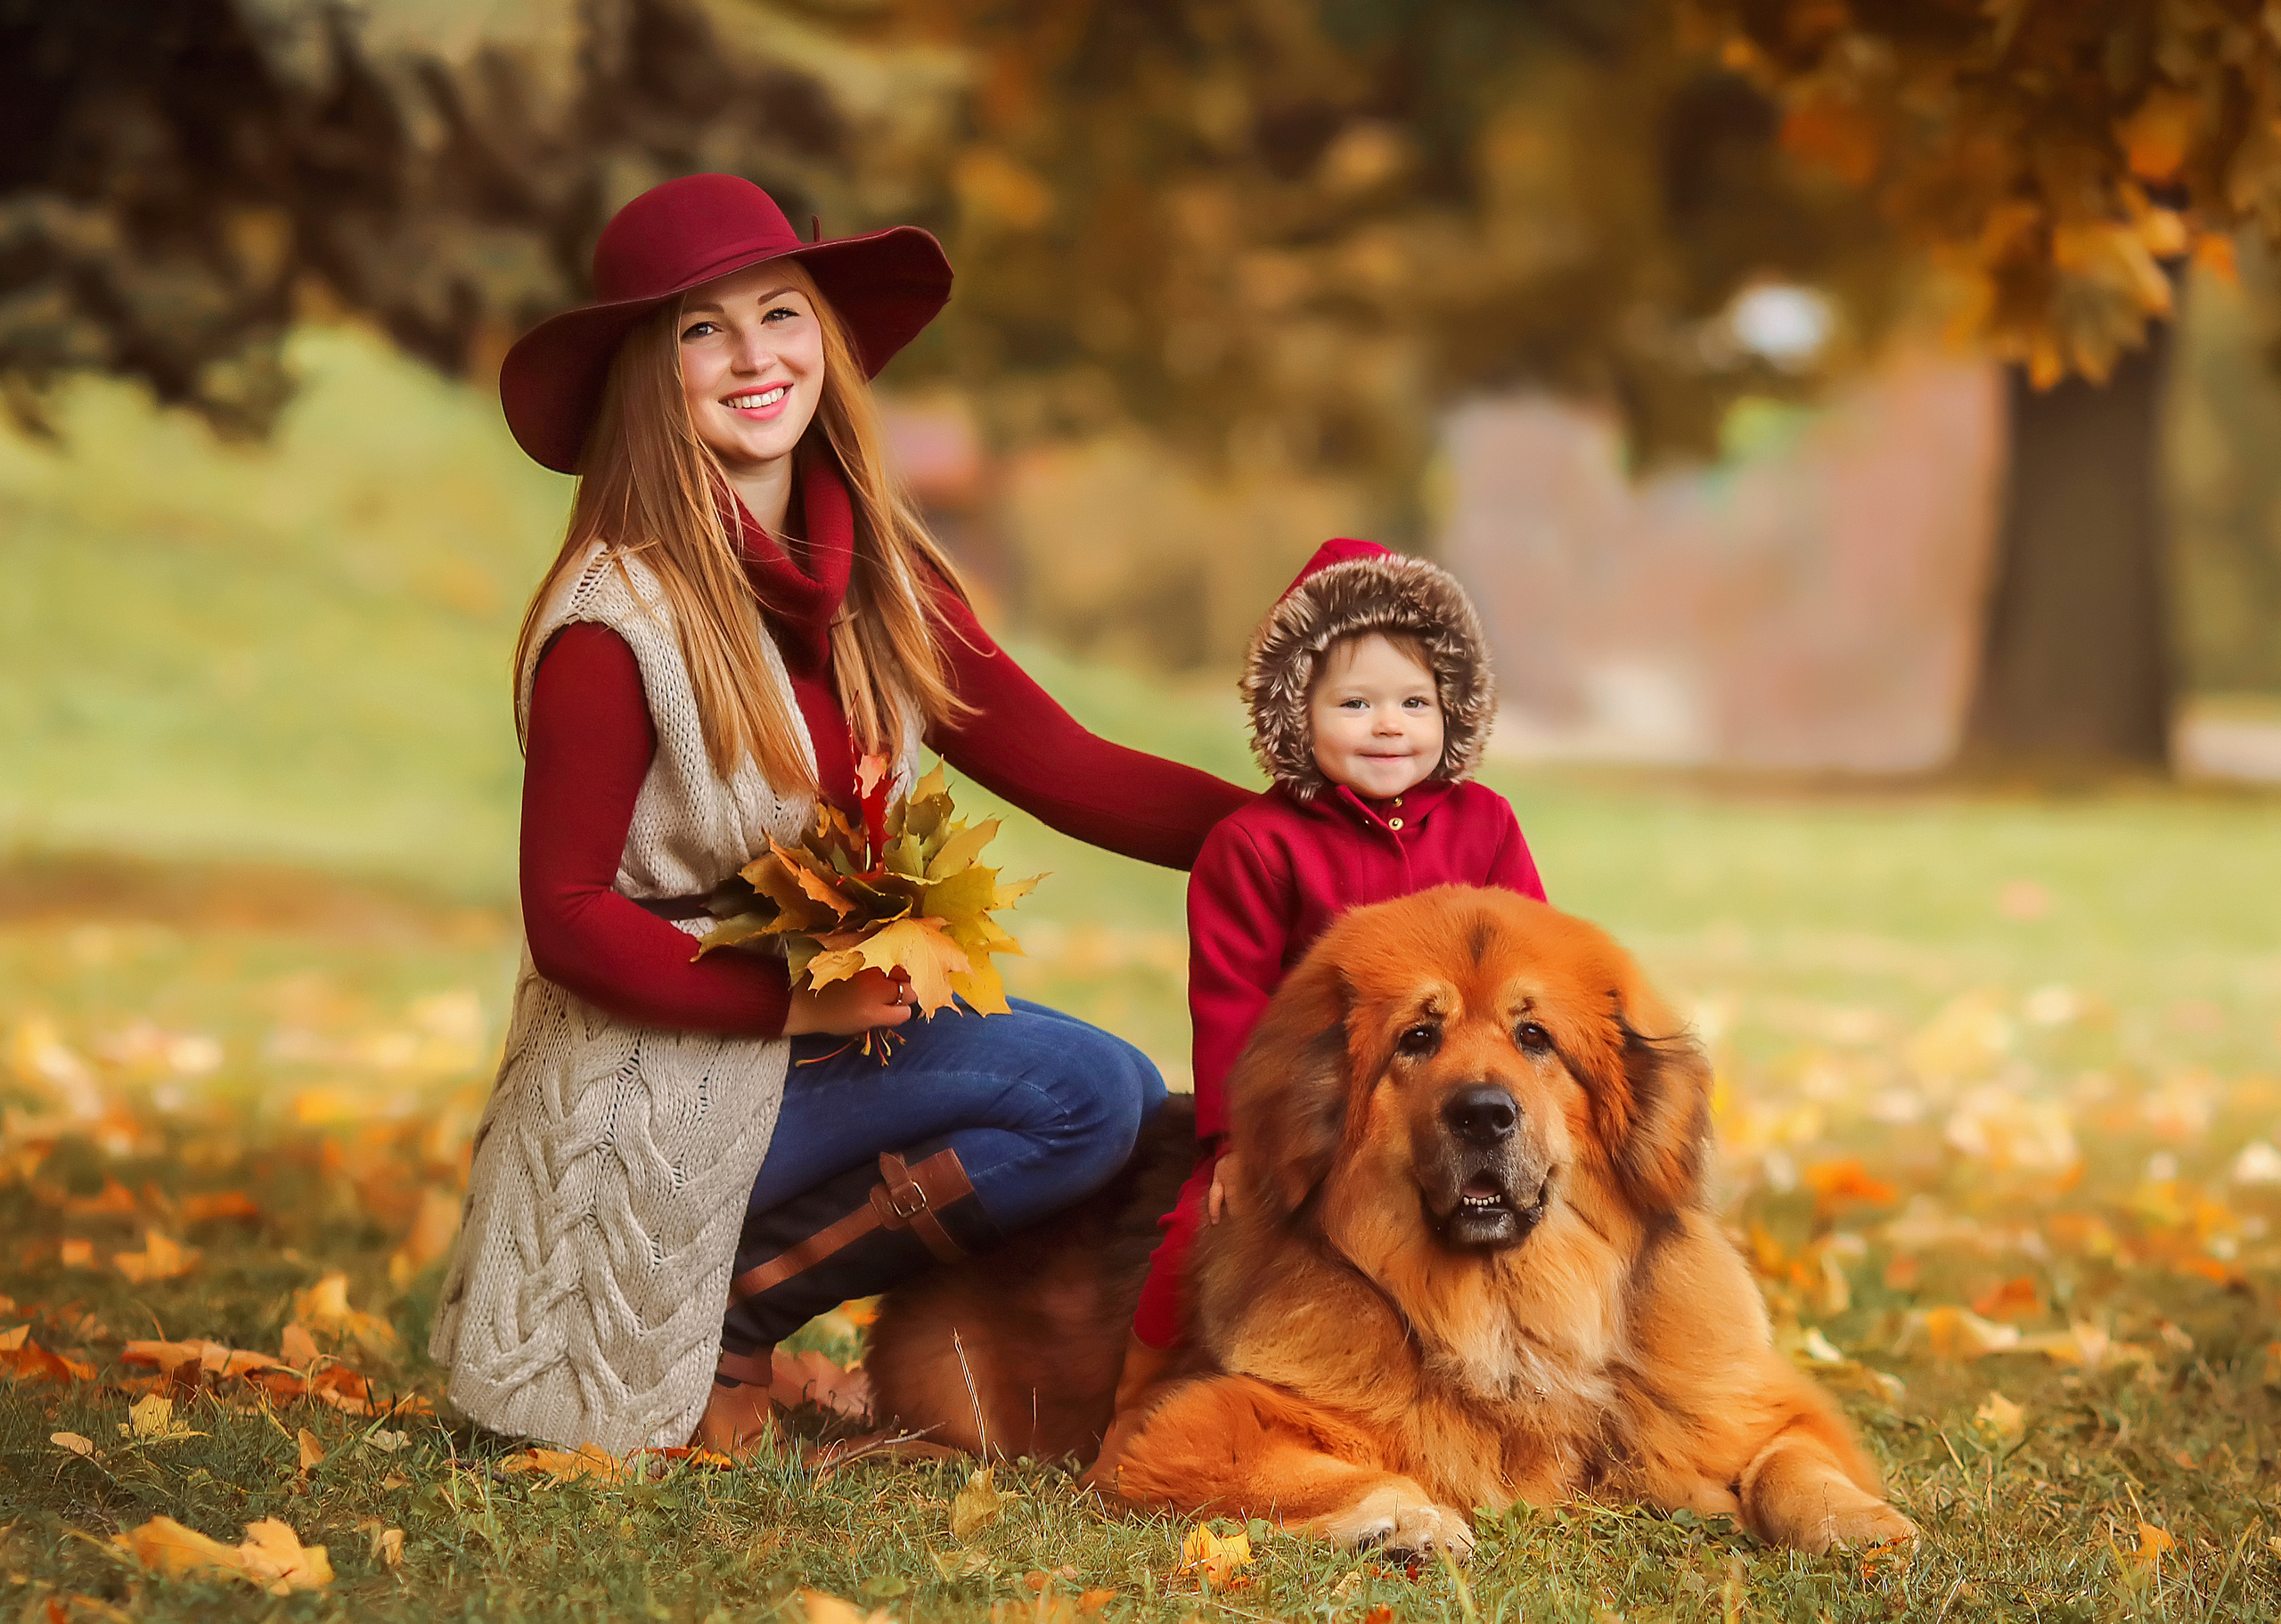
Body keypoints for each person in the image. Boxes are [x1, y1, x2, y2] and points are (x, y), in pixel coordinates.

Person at [427, 173, 1253, 1457]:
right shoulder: (615, 618)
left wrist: (1290, 832)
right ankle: (704, 1303)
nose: (756, 357)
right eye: (705, 329)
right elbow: (570, 918)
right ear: (653, 370)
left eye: (782, 313)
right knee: (1089, 1090)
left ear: (827, 337)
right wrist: (795, 1002)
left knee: (1098, 1094)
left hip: (812, 1038)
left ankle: (747, 1293)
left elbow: (1068, 761)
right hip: (654, 1070)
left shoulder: (877, 574)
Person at [1091, 538, 1548, 1472]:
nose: (1389, 727)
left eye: (1414, 702)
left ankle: (1503, 1380)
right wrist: (1228, 1141)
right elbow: (1230, 1003)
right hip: (1309, 1103)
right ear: (1294, 710)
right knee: (1196, 1227)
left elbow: (1533, 962)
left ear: (1451, 709)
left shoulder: (1485, 821)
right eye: (1355, 702)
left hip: (1446, 1095)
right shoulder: (1255, 845)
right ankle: (1132, 1403)